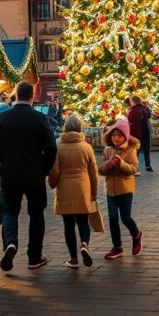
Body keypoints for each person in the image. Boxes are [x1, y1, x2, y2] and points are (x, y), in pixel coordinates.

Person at [0, 81, 58, 271]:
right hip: (34, 175)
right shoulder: (40, 119)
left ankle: (10, 242)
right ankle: (34, 256)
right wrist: (44, 168)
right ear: (32, 96)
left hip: (9, 175)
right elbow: (51, 147)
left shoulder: (2, 119)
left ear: (15, 95)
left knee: (10, 211)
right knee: (36, 214)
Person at [47, 114, 99, 268]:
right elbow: (93, 171)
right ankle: (84, 243)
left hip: (65, 187)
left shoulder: (58, 145)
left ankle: (73, 258)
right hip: (83, 186)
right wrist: (94, 191)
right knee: (83, 221)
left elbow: (54, 170)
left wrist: (52, 183)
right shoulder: (86, 147)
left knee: (68, 224)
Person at [97, 117, 143, 259]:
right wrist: (107, 166)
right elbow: (101, 169)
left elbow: (134, 168)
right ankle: (117, 247)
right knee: (112, 218)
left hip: (125, 189)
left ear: (125, 136)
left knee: (125, 217)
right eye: (114, 135)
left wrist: (120, 163)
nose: (116, 138)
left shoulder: (130, 149)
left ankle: (136, 234)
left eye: (119, 135)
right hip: (110, 190)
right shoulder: (107, 149)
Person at [127, 96, 153, 172]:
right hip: (146, 132)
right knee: (146, 149)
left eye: (130, 101)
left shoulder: (134, 110)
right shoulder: (144, 108)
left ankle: (135, 167)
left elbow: (131, 122)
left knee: (135, 151)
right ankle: (148, 165)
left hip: (137, 133)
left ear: (133, 101)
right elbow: (148, 115)